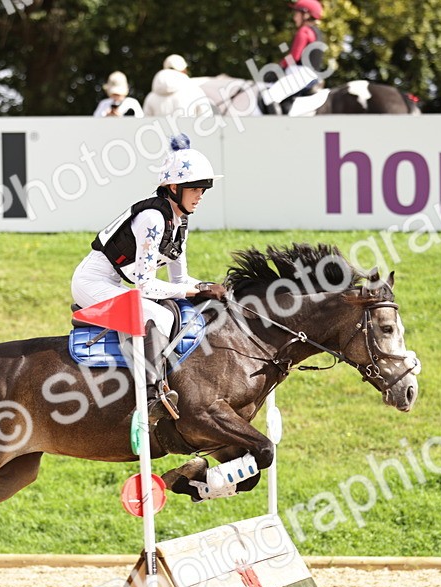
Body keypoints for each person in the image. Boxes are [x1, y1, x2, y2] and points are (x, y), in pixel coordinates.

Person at [71, 134, 228, 419]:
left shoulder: (179, 222)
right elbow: (145, 286)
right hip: (90, 283)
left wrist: (207, 286)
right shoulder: (153, 218)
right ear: (173, 188)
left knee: (176, 308)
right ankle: (151, 395)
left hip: (113, 283)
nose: (200, 195)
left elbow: (180, 281)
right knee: (159, 315)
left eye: (204, 189)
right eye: (195, 188)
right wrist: (196, 291)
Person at [259, 0, 326, 115]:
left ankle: (277, 125)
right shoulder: (318, 33)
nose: (294, 18)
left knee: (268, 97)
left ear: (306, 15)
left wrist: (279, 67)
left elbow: (294, 56)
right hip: (312, 75)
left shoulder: (304, 31)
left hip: (300, 75)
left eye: (296, 14)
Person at [143, 54, 215, 117]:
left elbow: (146, 122)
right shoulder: (195, 91)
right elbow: (207, 118)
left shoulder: (151, 97)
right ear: (184, 70)